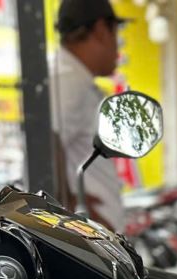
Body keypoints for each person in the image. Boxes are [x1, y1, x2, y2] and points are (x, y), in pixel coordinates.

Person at [51, 0, 127, 231]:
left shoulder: (74, 78)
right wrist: (72, 207)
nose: (117, 46)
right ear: (102, 30)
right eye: (116, 34)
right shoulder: (67, 79)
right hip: (87, 239)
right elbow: (47, 143)